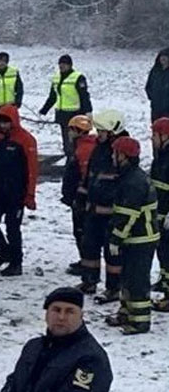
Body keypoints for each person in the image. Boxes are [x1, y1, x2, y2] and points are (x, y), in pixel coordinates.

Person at [104, 137, 159, 335]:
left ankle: (140, 321)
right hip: (135, 238)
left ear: (124, 156)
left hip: (140, 239)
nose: (112, 156)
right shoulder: (130, 176)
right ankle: (126, 313)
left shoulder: (133, 181)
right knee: (127, 277)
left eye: (115, 153)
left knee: (137, 280)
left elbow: (128, 215)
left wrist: (116, 238)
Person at [0, 105, 39, 277]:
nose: (4, 126)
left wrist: (30, 194)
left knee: (12, 228)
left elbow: (32, 169)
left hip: (16, 193)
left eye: (6, 122)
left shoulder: (26, 139)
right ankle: (3, 250)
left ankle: (16, 262)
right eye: (1, 122)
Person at [77, 111, 128, 300]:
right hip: (93, 208)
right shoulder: (99, 148)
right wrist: (81, 197)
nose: (99, 134)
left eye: (102, 131)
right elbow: (90, 175)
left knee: (112, 252)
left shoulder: (122, 151)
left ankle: (114, 287)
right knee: (89, 246)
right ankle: (89, 280)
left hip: (110, 212)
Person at [62, 116, 98, 276]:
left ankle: (87, 262)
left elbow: (83, 175)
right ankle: (85, 260)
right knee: (81, 231)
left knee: (81, 231)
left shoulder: (83, 149)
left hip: (82, 198)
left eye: (71, 129)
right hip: (79, 196)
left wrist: (78, 195)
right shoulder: (83, 146)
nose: (69, 132)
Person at [39, 54, 93, 156]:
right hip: (62, 114)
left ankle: (79, 158)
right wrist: (44, 110)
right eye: (60, 64)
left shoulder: (78, 77)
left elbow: (84, 96)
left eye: (64, 64)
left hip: (75, 114)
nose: (61, 66)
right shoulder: (56, 78)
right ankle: (70, 159)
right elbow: (53, 96)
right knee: (66, 141)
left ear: (70, 65)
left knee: (77, 140)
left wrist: (88, 111)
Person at [151, 118, 169, 303]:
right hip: (160, 214)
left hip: (166, 214)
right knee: (163, 251)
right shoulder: (162, 155)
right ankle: (165, 282)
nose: (152, 139)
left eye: (155, 135)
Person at [145, 48, 169, 121]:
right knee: (156, 129)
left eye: (166, 56)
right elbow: (148, 86)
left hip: (168, 109)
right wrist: (152, 97)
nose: (163, 58)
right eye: (161, 56)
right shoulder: (155, 70)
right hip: (156, 107)